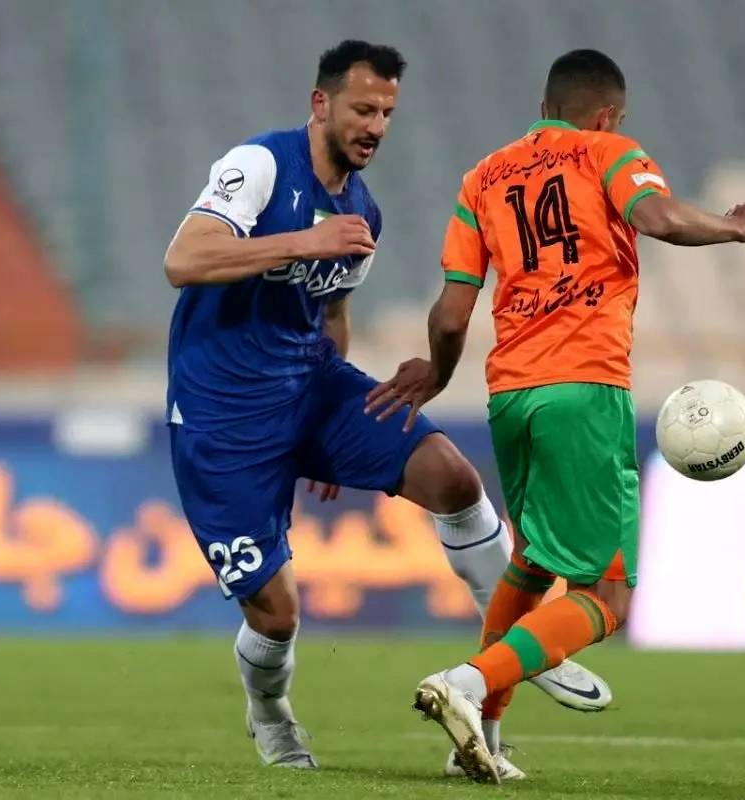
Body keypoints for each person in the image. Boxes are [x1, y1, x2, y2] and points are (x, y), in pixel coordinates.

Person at [162, 40, 611, 772]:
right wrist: (303, 241)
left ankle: (513, 646)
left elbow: (330, 311)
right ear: (321, 104)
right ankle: (270, 715)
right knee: (276, 616)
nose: (375, 126)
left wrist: (325, 436)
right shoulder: (261, 165)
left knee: (454, 478)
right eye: (363, 109)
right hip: (223, 417)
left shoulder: (361, 211)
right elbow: (182, 260)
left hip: (311, 388)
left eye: (387, 113)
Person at [365, 48, 745, 782]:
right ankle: (467, 682)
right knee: (608, 597)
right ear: (607, 115)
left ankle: (481, 740)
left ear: (545, 106)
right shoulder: (607, 152)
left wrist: (438, 373)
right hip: (584, 386)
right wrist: (733, 228)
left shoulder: (482, 178)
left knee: (532, 561)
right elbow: (658, 216)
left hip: (510, 396)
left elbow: (452, 313)